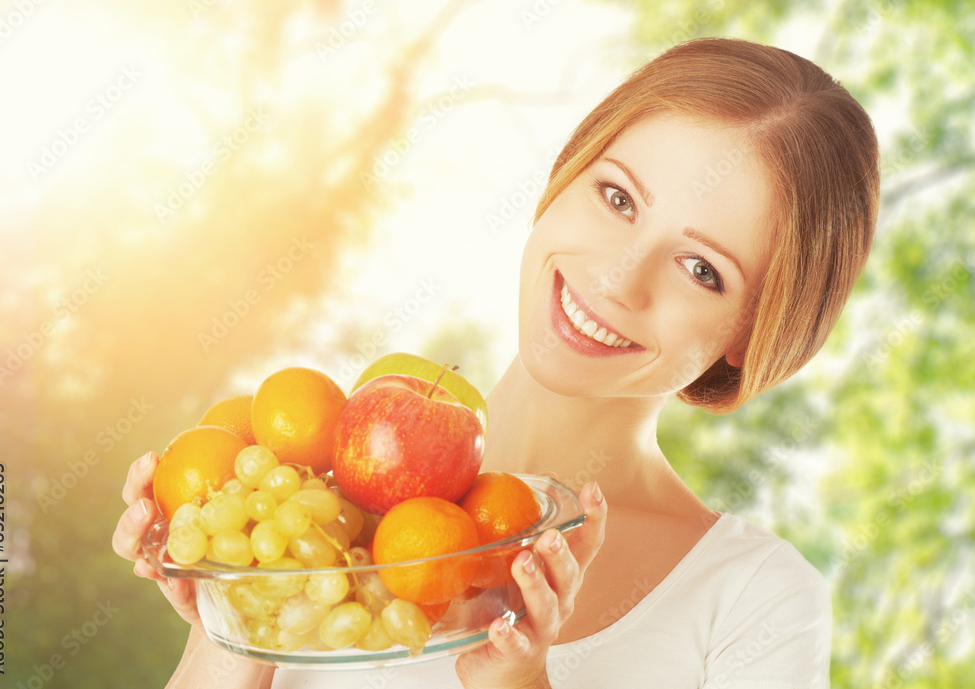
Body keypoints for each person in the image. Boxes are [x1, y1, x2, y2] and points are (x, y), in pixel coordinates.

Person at [112, 37, 879, 688]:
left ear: (753, 332)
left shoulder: (754, 600)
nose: (617, 277)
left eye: (701, 269)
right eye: (616, 198)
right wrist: (230, 622)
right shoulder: (320, 479)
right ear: (567, 175)